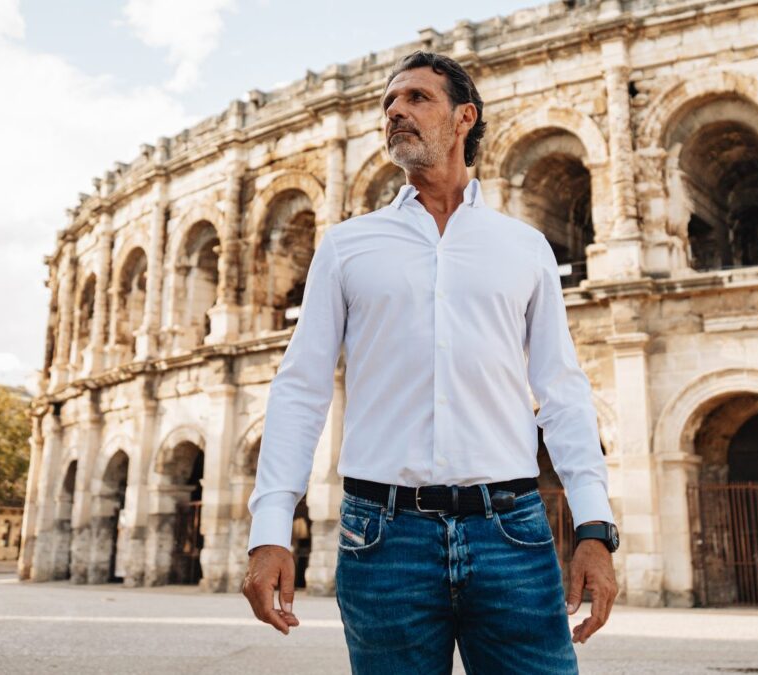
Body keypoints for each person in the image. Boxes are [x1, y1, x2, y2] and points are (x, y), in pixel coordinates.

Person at [242, 51, 618, 674]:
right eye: (388, 104)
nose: (395, 113)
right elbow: (301, 390)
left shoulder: (524, 248)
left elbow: (561, 390)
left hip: (512, 531)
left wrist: (595, 528)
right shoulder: (345, 247)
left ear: (464, 116)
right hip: (382, 535)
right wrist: (271, 526)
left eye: (415, 98)